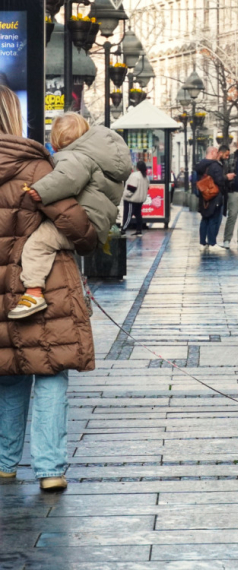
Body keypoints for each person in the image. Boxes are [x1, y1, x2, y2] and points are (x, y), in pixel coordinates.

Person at [0, 86, 98, 490]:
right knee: (51, 372)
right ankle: (50, 470)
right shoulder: (37, 168)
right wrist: (91, 235)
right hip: (43, 289)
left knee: (9, 373)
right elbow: (75, 226)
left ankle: (5, 463)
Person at [8, 112, 131, 319]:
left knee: (38, 244)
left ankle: (33, 293)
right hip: (95, 223)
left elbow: (68, 178)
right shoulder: (100, 157)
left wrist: (41, 190)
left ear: (56, 144)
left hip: (81, 219)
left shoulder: (75, 156)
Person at [196, 146, 226, 252]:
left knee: (204, 219)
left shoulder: (200, 165)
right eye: (217, 152)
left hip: (203, 196)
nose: (218, 154)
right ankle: (212, 243)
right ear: (213, 152)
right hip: (214, 196)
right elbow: (220, 180)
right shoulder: (214, 165)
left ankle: (202, 243)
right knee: (213, 219)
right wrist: (227, 177)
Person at [121, 160, 150, 237]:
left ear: (137, 167)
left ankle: (123, 230)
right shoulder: (145, 177)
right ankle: (139, 230)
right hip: (140, 200)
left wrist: (126, 195)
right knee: (138, 215)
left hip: (131, 199)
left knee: (128, 215)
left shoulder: (135, 175)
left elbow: (131, 188)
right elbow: (147, 187)